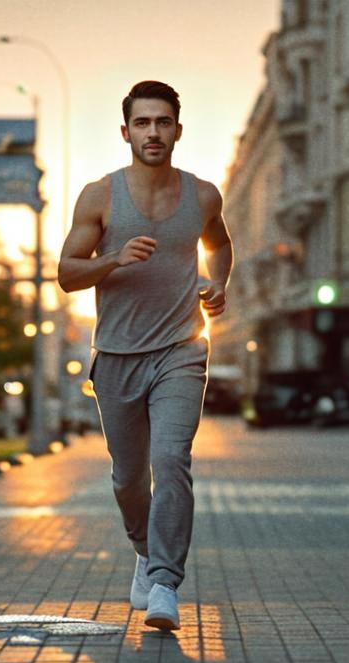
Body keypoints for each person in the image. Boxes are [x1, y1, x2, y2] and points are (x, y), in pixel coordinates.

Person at [57, 80, 234, 631]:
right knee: (127, 480)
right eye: (142, 123)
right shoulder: (100, 195)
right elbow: (66, 274)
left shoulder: (203, 194)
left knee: (171, 461)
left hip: (181, 348)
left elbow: (221, 243)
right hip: (116, 356)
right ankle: (143, 549)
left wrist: (219, 283)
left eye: (162, 122)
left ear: (178, 130)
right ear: (126, 131)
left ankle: (163, 584)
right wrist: (112, 259)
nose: (153, 132)